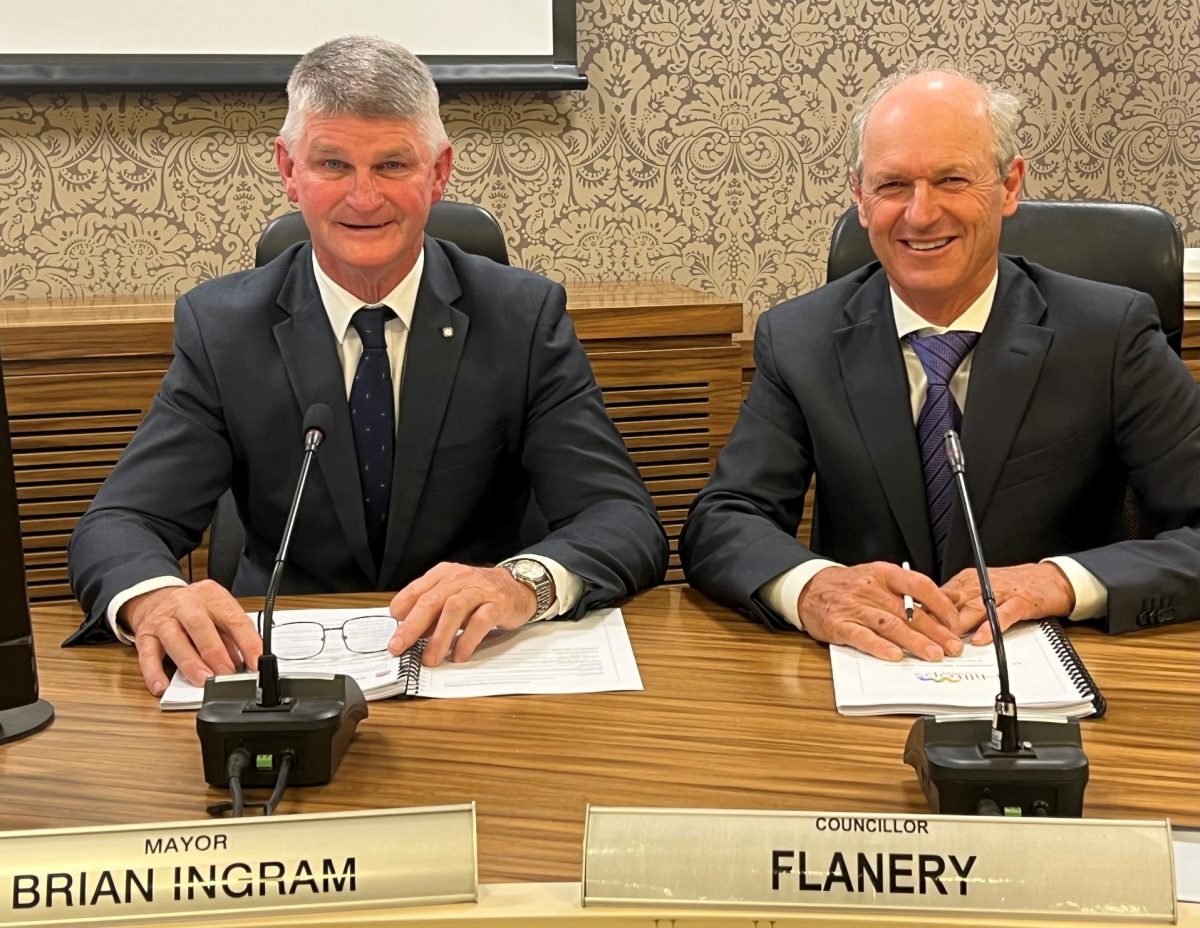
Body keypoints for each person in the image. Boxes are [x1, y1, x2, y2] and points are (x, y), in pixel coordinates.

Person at [68, 36, 667, 695]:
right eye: (332, 164)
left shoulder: (522, 319)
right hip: (284, 671)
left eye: (391, 165)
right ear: (288, 170)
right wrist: (154, 598)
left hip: (475, 666)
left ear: (438, 173)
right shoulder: (223, 329)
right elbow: (122, 523)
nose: (363, 197)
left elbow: (622, 519)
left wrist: (517, 583)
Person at [681, 64, 1200, 663]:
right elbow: (723, 520)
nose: (921, 215)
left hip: (1063, 674)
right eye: (893, 185)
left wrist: (1057, 581)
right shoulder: (800, 337)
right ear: (859, 197)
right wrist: (813, 589)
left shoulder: (1110, 335)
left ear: (1009, 187)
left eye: (952, 180)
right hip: (866, 673)